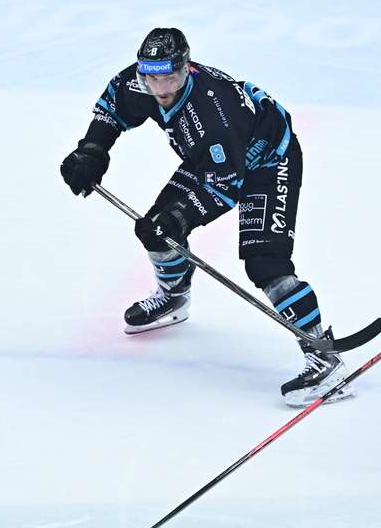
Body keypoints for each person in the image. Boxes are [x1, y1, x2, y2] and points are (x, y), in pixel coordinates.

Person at [60, 27, 350, 407]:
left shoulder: (214, 115)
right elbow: (111, 107)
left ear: (187, 69)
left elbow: (227, 185)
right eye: (152, 76)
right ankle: (174, 295)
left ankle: (324, 355)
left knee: (266, 264)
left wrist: (180, 218)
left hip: (266, 161)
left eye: (170, 77)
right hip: (215, 161)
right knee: (157, 230)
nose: (161, 88)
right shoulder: (140, 82)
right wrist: (91, 152)